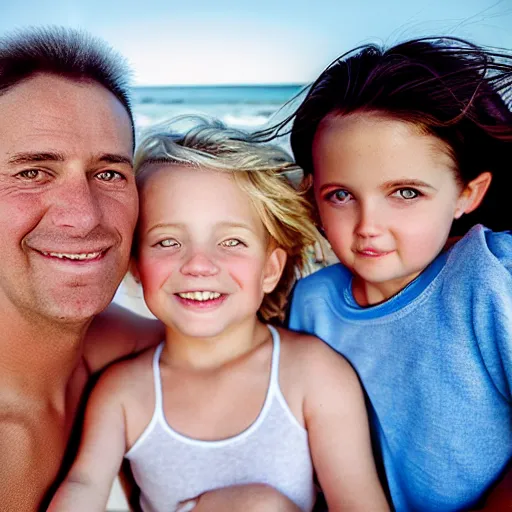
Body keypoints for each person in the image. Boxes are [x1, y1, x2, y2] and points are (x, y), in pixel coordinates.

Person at [49, 117, 390, 512]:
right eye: (168, 241)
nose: (198, 264)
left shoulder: (313, 376)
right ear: (137, 266)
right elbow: (84, 485)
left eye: (231, 241)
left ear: (270, 269)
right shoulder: (124, 393)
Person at [259, 38, 512, 511]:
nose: (367, 226)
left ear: (467, 193)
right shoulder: (313, 303)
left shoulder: (493, 279)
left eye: (406, 193)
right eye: (340, 195)